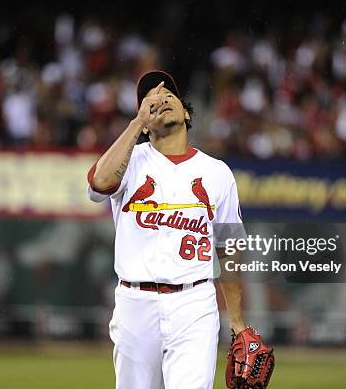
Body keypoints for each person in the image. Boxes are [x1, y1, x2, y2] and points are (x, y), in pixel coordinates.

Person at [87, 70, 248, 388]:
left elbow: (229, 247)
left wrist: (238, 322)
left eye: (168, 97)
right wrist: (136, 125)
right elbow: (98, 183)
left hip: (195, 302)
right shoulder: (130, 161)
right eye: (151, 101)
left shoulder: (217, 172)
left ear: (187, 113)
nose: (160, 101)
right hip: (135, 303)